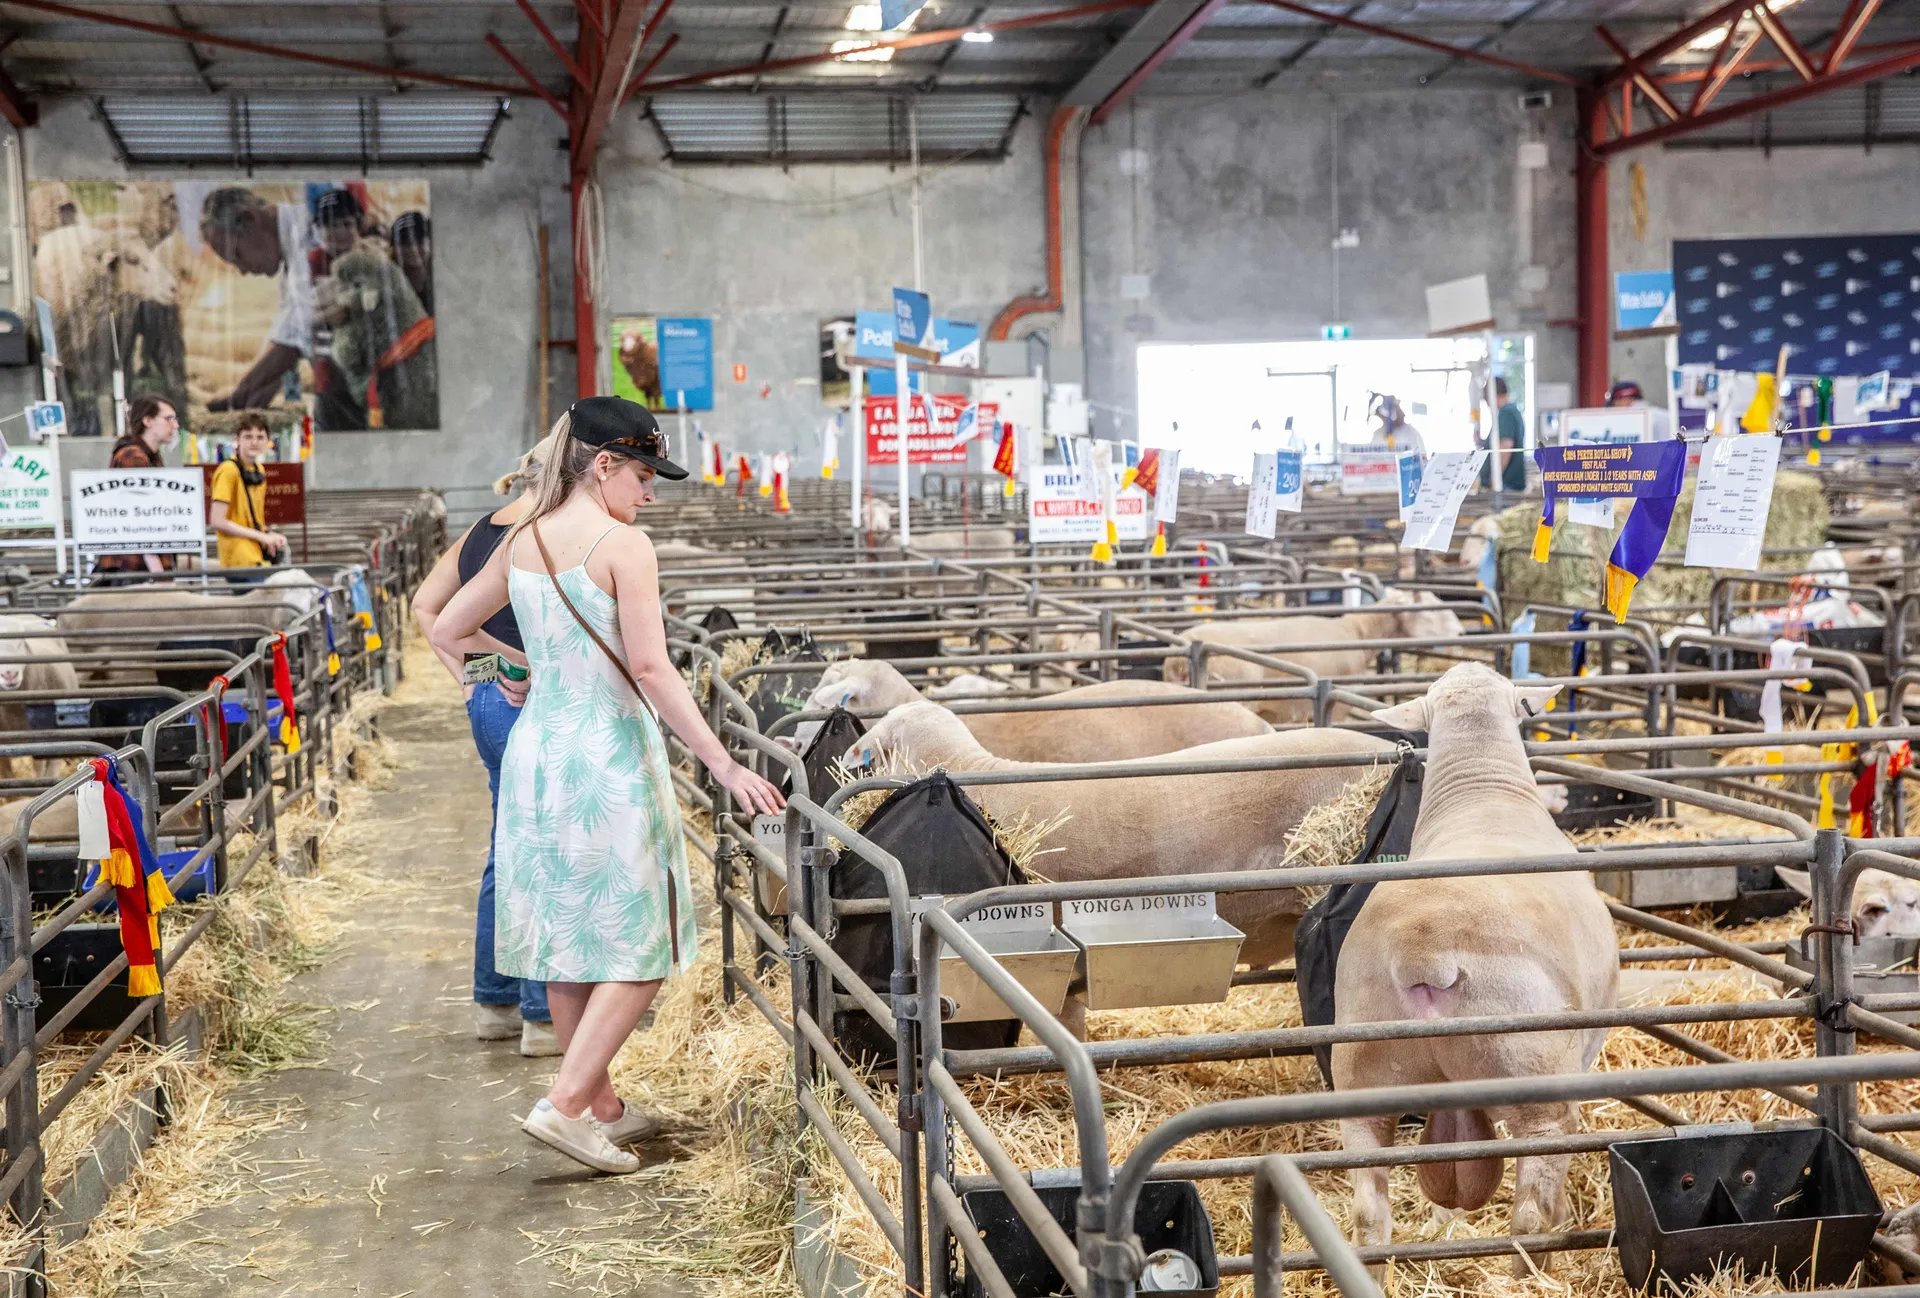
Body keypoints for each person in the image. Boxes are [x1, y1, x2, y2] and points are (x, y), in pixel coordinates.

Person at [431, 397, 784, 1175]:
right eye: (643, 473)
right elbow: (653, 668)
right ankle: (562, 1104)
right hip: (608, 754)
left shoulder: (520, 539)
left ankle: (599, 1107)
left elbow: (444, 627)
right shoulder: (626, 545)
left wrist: (504, 669)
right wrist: (723, 764)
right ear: (603, 466)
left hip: (539, 756)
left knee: (568, 940)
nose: (650, 492)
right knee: (643, 943)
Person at [411, 435, 560, 1058]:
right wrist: (513, 662)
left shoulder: (479, 530)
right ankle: (541, 1013)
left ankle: (495, 1002)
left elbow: (425, 608)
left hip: (489, 702)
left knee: (508, 839)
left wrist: (469, 680)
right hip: (532, 695)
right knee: (539, 847)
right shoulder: (544, 533)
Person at [200, 188, 314, 412]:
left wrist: (243, 390)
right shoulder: (291, 253)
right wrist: (260, 390)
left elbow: (297, 332)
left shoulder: (309, 234)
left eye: (237, 255)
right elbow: (284, 331)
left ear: (250, 219)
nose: (242, 270)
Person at [93, 395, 180, 579]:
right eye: (168, 419)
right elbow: (138, 514)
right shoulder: (133, 457)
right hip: (133, 564)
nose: (175, 425)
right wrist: (155, 566)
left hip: (135, 562)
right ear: (147, 421)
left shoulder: (145, 456)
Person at [209, 413, 288, 574]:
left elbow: (254, 519)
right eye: (248, 436)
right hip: (238, 560)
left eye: (260, 437)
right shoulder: (228, 470)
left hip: (257, 556)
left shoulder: (260, 470)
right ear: (237, 439)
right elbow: (217, 521)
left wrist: (269, 534)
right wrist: (262, 537)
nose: (254, 442)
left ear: (268, 441)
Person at [1481, 377, 1528, 493]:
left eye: (1486, 397)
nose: (1486, 402)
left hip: (1506, 487)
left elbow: (1505, 447)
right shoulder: (1512, 411)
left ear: (1492, 393)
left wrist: (1494, 480)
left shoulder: (1506, 412)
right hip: (1509, 486)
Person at [391, 212, 433, 316]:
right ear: (394, 248)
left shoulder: (443, 281)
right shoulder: (389, 284)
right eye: (405, 243)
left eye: (420, 241)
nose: (413, 249)